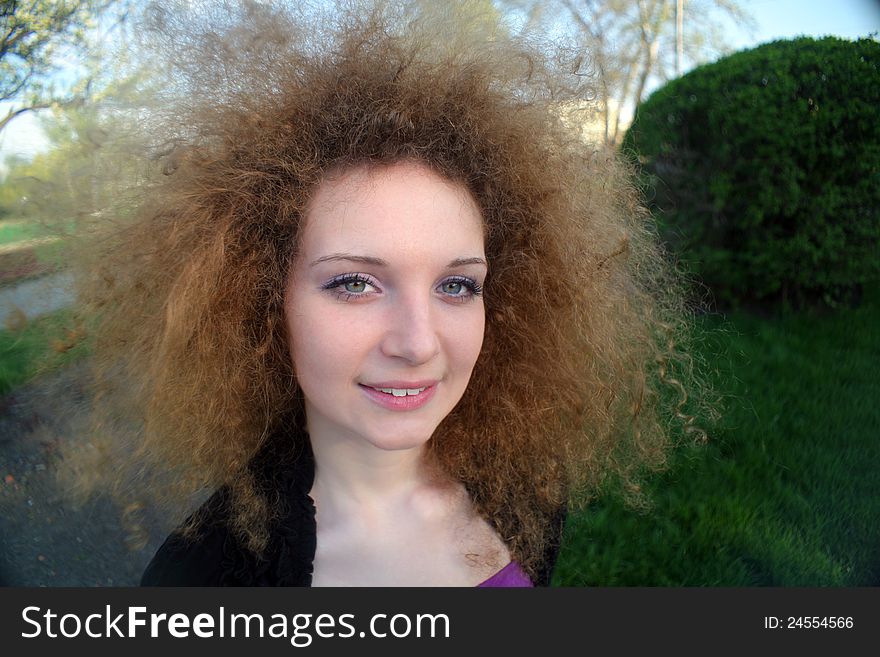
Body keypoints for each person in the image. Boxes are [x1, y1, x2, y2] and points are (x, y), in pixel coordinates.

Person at [78, 2, 707, 587]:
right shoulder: (201, 577)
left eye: (457, 285)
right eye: (354, 282)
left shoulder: (526, 491)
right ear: (262, 303)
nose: (418, 342)